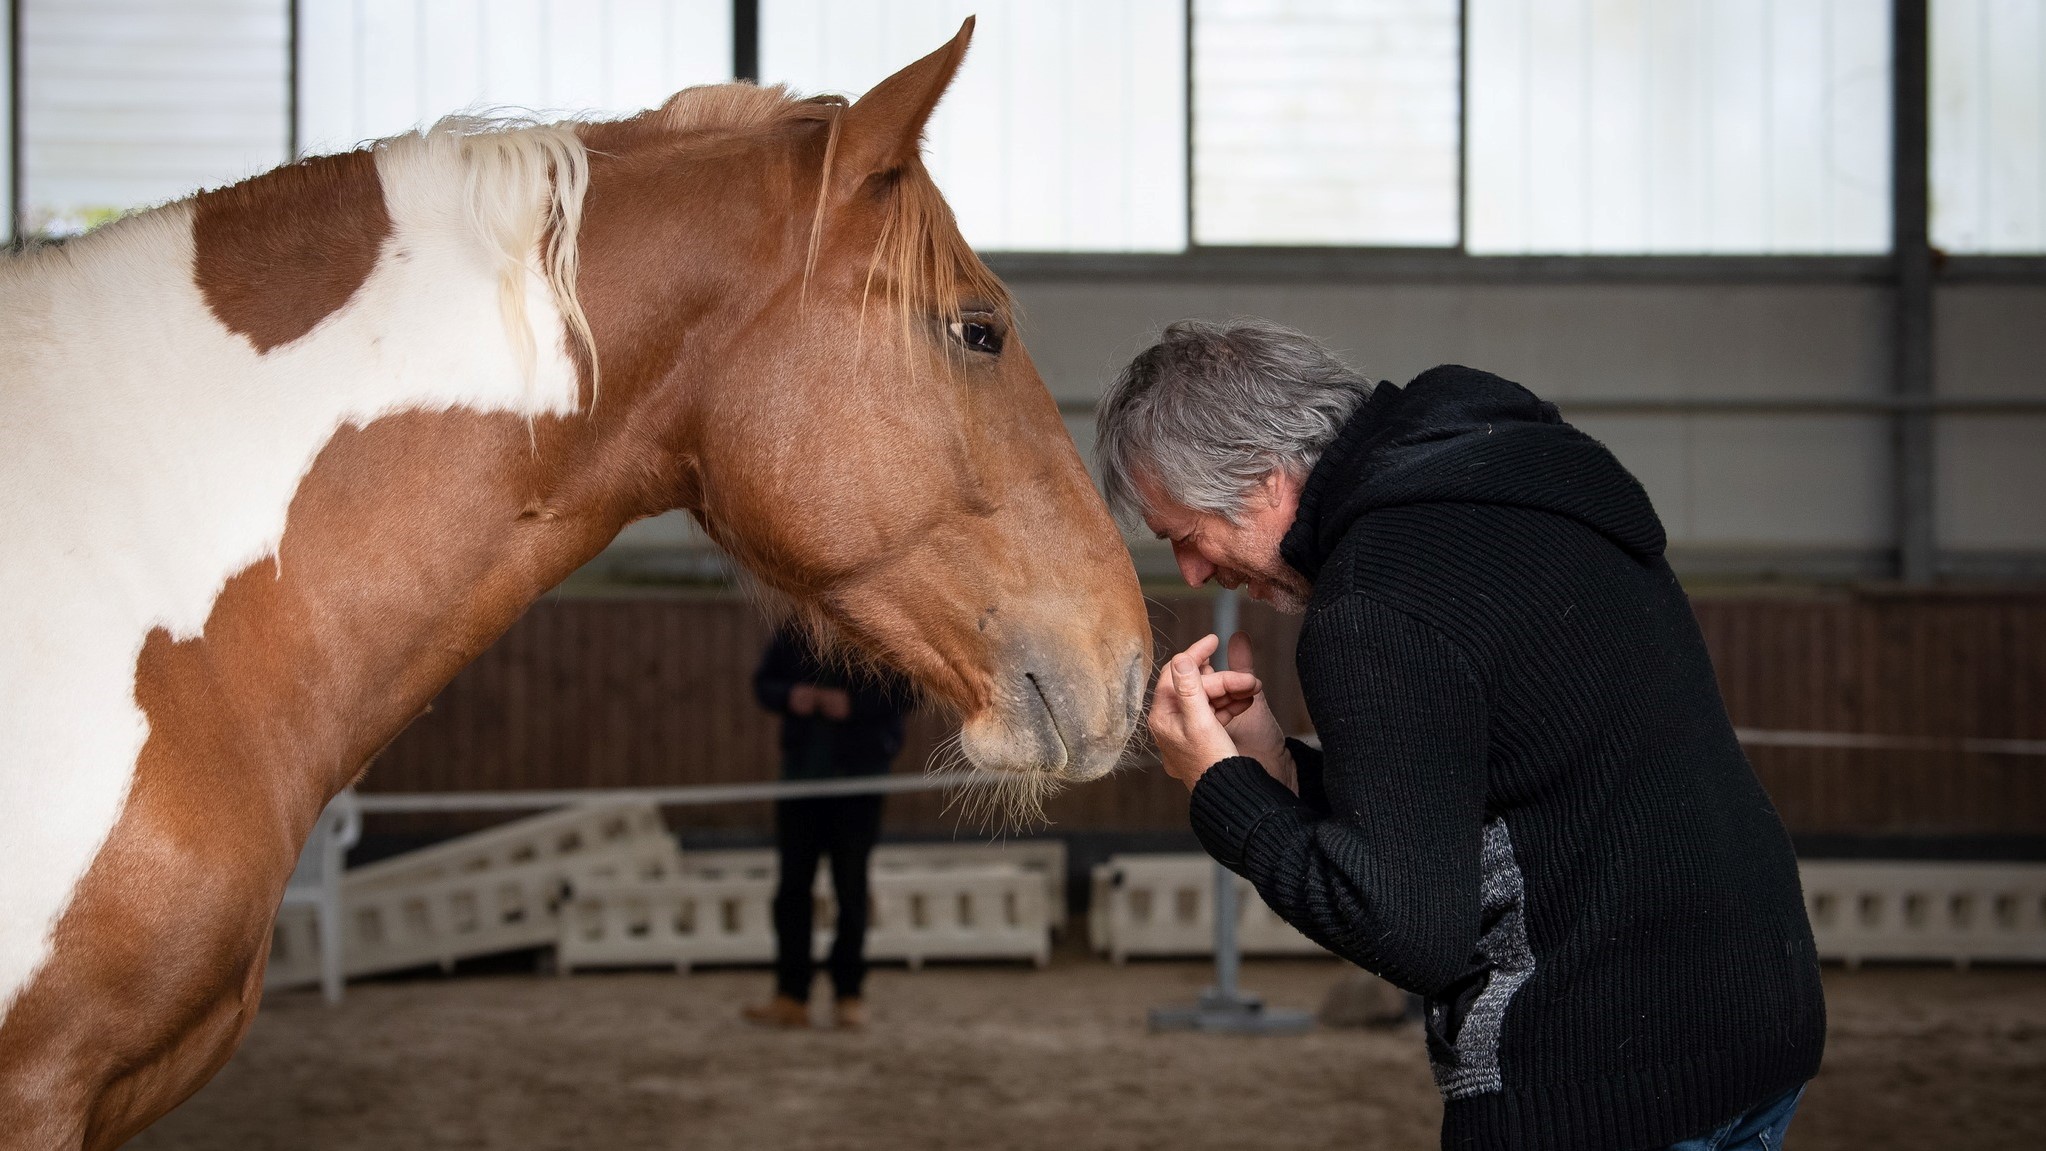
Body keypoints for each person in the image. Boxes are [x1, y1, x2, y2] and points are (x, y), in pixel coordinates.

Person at [1099, 320, 1824, 1151]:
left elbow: (1407, 928)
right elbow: (1489, 796)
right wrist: (1273, 768)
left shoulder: (1374, 601)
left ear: (1260, 476)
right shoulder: (1515, 487)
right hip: (1752, 1025)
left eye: (1185, 534)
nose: (1192, 571)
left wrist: (1219, 790)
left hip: (1599, 1082)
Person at [743, 625, 913, 1031]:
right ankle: (791, 996)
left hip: (858, 780)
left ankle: (848, 995)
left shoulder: (878, 628)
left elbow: (909, 692)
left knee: (850, 887)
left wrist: (854, 705)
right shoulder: (797, 629)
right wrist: (791, 696)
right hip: (801, 779)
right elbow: (764, 683)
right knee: (792, 888)